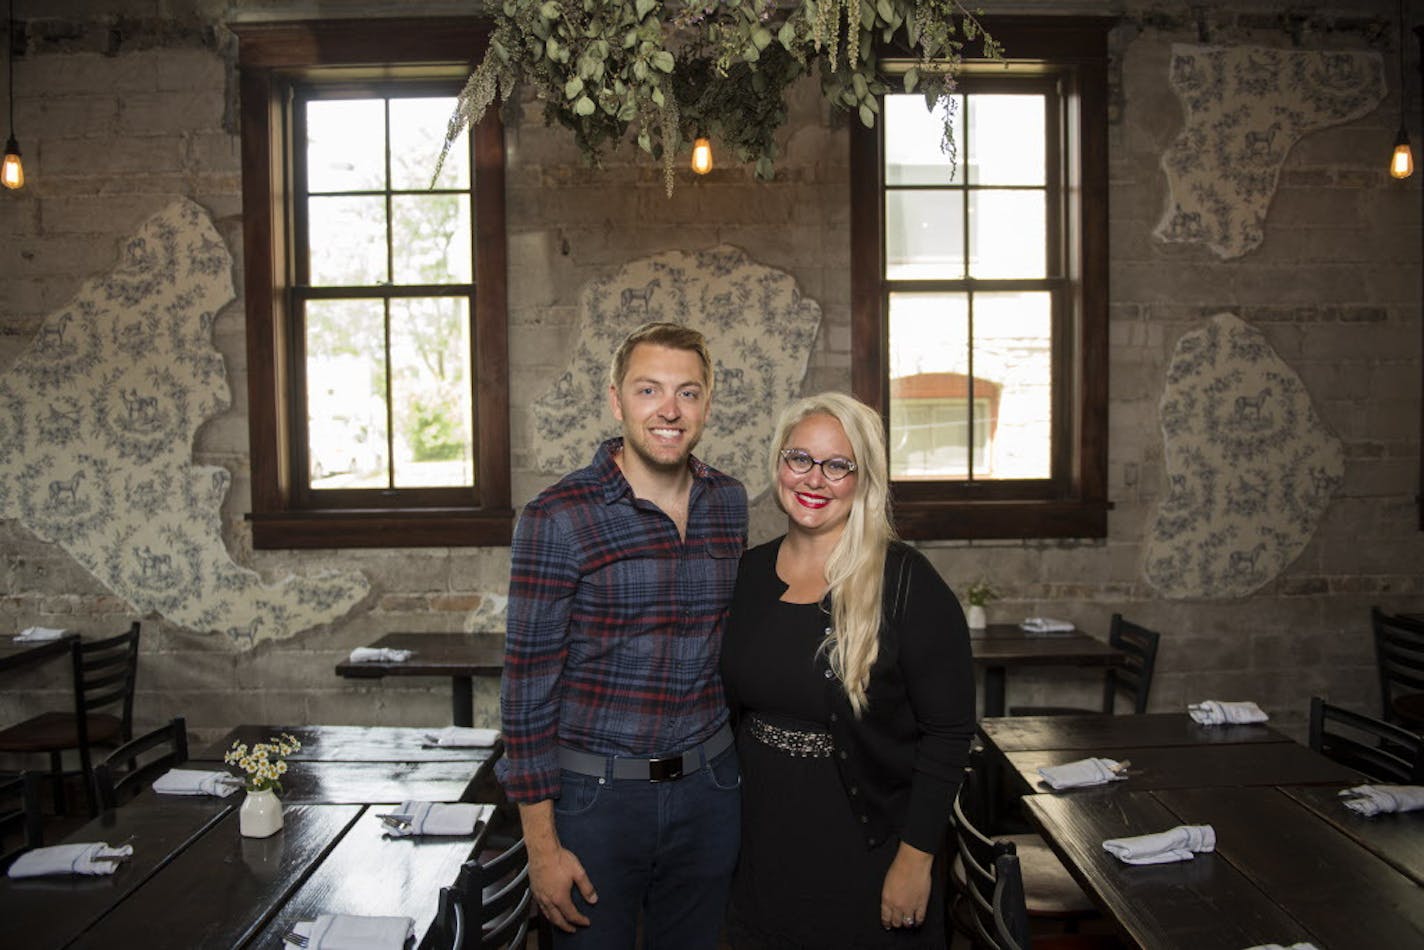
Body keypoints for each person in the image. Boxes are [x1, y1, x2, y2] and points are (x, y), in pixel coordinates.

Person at [498, 321, 748, 949]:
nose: (670, 409)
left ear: (707, 403)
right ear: (616, 400)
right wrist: (541, 846)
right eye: (649, 390)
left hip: (710, 790)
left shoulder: (729, 502)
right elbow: (525, 694)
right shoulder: (558, 517)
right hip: (594, 801)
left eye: (688, 392)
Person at [720, 391, 976, 948]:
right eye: (800, 458)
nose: (814, 479)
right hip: (760, 846)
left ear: (864, 479)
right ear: (779, 463)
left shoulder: (906, 582)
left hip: (867, 849)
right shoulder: (747, 574)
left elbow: (949, 734)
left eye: (838, 465)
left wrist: (915, 861)